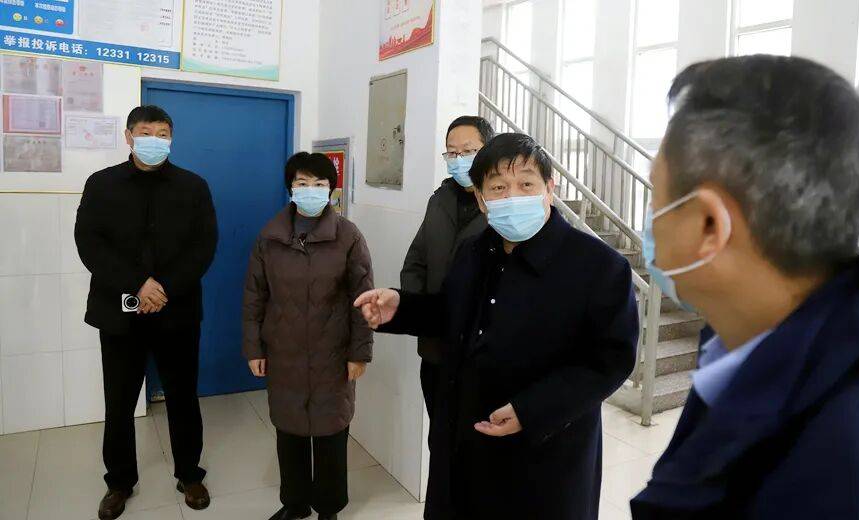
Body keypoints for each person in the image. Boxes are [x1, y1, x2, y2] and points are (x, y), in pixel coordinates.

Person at [630, 55, 859, 518]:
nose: (650, 219)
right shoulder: (744, 337)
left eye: (655, 196)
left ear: (710, 225)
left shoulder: (844, 471)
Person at [355, 133, 639, 519]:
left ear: (549, 189)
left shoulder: (599, 266)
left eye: (526, 184)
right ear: (481, 199)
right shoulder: (474, 251)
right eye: (499, 187)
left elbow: (610, 362)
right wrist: (401, 308)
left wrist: (531, 410)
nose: (513, 196)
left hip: (544, 458)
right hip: (463, 444)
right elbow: (453, 313)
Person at [74, 105, 218, 519]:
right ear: (128, 136)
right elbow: (89, 243)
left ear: (171, 138)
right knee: (119, 402)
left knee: (182, 397)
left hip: (178, 311)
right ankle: (119, 482)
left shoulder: (193, 186)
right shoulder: (102, 184)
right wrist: (138, 283)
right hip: (119, 313)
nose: (155, 140)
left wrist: (164, 287)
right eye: (145, 132)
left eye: (163, 133)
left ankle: (189, 474)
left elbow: (204, 245)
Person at [243, 152, 374, 520]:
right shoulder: (269, 238)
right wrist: (253, 347)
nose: (311, 190)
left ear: (331, 190)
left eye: (319, 184)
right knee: (290, 431)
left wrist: (359, 353)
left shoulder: (348, 236)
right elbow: (254, 296)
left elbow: (364, 299)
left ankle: (329, 508)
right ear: (290, 188)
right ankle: (295, 503)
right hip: (283, 352)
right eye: (302, 183)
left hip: (333, 353)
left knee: (331, 432)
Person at [401, 115, 493, 418]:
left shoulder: (503, 207)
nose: (459, 159)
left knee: (477, 437)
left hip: (481, 356)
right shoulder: (439, 200)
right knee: (439, 434)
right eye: (452, 153)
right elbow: (415, 263)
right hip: (435, 350)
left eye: (468, 151)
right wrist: (422, 313)